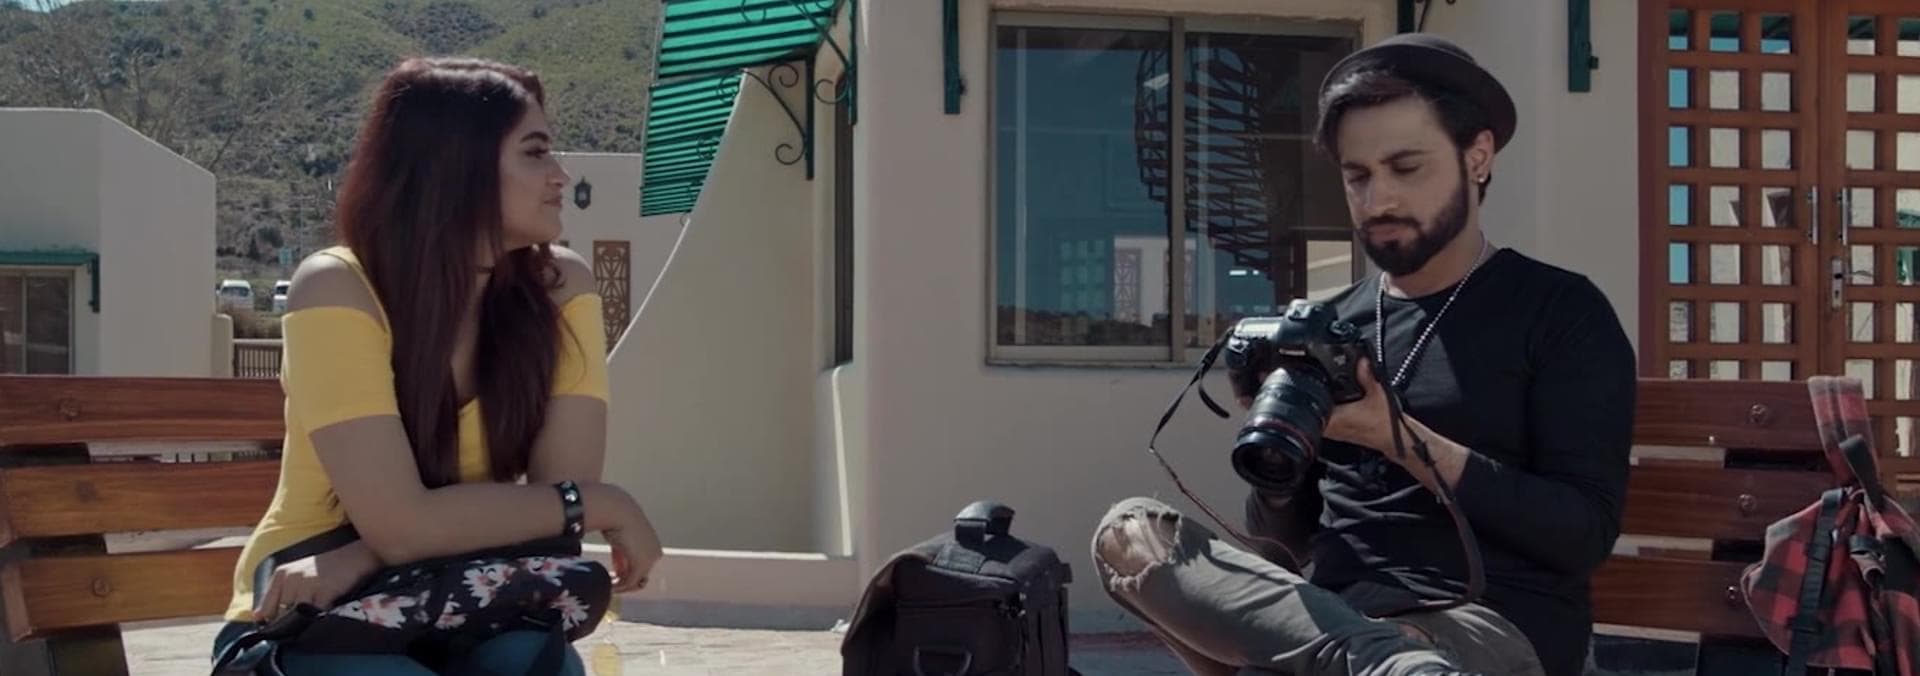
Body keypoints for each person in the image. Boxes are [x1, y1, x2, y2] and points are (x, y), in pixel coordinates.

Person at [1090, 34, 1636, 676]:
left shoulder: (1559, 311)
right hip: (1333, 615)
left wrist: (1394, 438)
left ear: (1478, 156)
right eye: (1358, 177)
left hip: (1489, 622)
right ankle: (1379, 663)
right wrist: (1277, 454)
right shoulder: (1327, 327)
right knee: (1130, 534)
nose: (1379, 201)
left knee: (1327, 653)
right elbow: (1287, 547)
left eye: (1407, 168)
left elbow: (1581, 535)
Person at [209, 57, 665, 675]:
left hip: (463, 600)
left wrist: (368, 552)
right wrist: (605, 503)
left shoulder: (560, 290)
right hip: (316, 612)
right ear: (457, 166)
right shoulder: (339, 288)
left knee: (539, 662)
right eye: (535, 153)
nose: (561, 176)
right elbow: (554, 503)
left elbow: (555, 512)